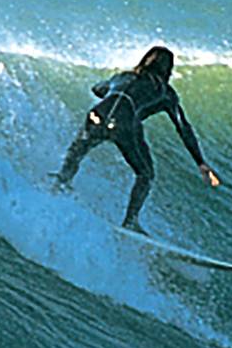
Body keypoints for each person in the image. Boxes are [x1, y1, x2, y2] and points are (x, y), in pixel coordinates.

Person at [52, 45, 219, 232]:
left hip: (97, 114)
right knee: (145, 173)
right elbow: (183, 127)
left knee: (77, 151)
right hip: (125, 124)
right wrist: (201, 163)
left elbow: (97, 89)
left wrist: (114, 88)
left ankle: (60, 183)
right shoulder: (164, 91)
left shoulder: (122, 76)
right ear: (168, 69)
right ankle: (130, 221)